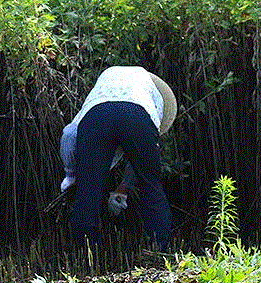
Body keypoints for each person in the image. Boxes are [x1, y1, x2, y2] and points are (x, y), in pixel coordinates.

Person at [59, 66, 177, 252]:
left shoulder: (101, 88)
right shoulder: (151, 95)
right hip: (137, 116)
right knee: (151, 187)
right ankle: (160, 252)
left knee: (87, 193)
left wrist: (72, 177)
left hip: (97, 117)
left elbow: (68, 135)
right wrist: (125, 188)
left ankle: (86, 258)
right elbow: (141, 158)